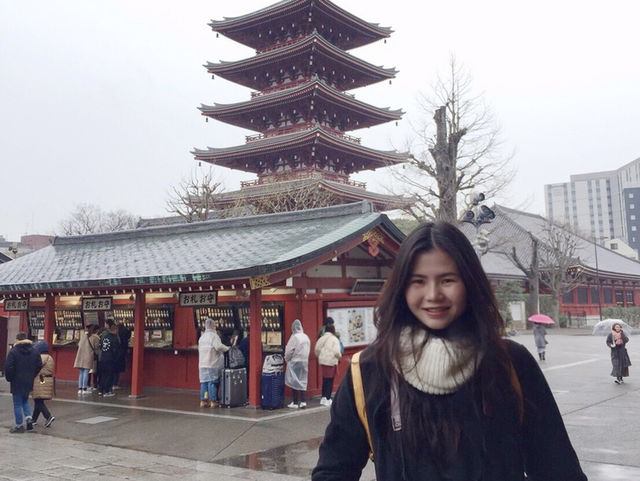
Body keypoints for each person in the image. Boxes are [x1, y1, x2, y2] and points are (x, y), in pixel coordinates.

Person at [312, 222, 587, 481]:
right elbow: (333, 472)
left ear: (470, 283)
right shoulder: (370, 370)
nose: (433, 295)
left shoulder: (510, 363)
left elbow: (558, 469)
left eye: (447, 280)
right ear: (401, 288)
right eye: (418, 281)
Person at [5, 332, 42, 433]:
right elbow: (39, 364)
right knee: (25, 400)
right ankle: (29, 418)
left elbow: (8, 367)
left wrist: (9, 378)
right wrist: (32, 374)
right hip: (28, 380)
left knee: (17, 403)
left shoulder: (13, 352)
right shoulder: (34, 351)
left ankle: (19, 425)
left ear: (17, 340)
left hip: (17, 380)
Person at [198, 318, 230, 408]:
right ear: (212, 326)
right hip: (212, 363)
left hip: (202, 364)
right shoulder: (214, 336)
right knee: (212, 382)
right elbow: (218, 347)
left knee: (204, 383)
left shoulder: (202, 337)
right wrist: (227, 348)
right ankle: (213, 401)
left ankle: (203, 401)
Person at [285, 319, 310, 409]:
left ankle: (295, 402)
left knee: (294, 380)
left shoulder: (294, 337)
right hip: (304, 361)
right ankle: (303, 401)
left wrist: (287, 359)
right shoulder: (306, 337)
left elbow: (289, 351)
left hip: (295, 361)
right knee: (303, 380)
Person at [315, 324, 342, 406]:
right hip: (331, 361)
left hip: (323, 361)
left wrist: (320, 356)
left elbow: (317, 349)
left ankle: (323, 397)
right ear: (333, 330)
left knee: (325, 379)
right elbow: (337, 351)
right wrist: (339, 357)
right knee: (330, 380)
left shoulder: (321, 338)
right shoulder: (334, 339)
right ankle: (328, 398)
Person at [31, 341, 55, 428]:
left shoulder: (41, 357)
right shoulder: (50, 357)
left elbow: (35, 368)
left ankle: (48, 416)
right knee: (39, 400)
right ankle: (33, 420)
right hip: (47, 380)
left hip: (40, 380)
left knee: (38, 400)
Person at [74, 324, 100, 395]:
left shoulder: (83, 336)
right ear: (96, 330)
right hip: (88, 356)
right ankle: (84, 389)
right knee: (86, 372)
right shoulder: (95, 337)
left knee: (81, 372)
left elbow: (79, 344)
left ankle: (80, 388)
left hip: (81, 356)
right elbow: (97, 347)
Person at [98, 322, 121, 397]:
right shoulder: (114, 339)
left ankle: (101, 390)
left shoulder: (105, 337)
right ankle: (107, 391)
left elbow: (101, 346)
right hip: (110, 359)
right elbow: (115, 351)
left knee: (103, 375)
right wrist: (116, 359)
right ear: (115, 330)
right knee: (109, 375)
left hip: (103, 358)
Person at [112, 321, 131, 390]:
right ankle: (115, 384)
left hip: (113, 355)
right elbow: (129, 337)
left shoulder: (113, 336)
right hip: (121, 353)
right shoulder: (126, 330)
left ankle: (112, 384)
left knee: (113, 369)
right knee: (117, 370)